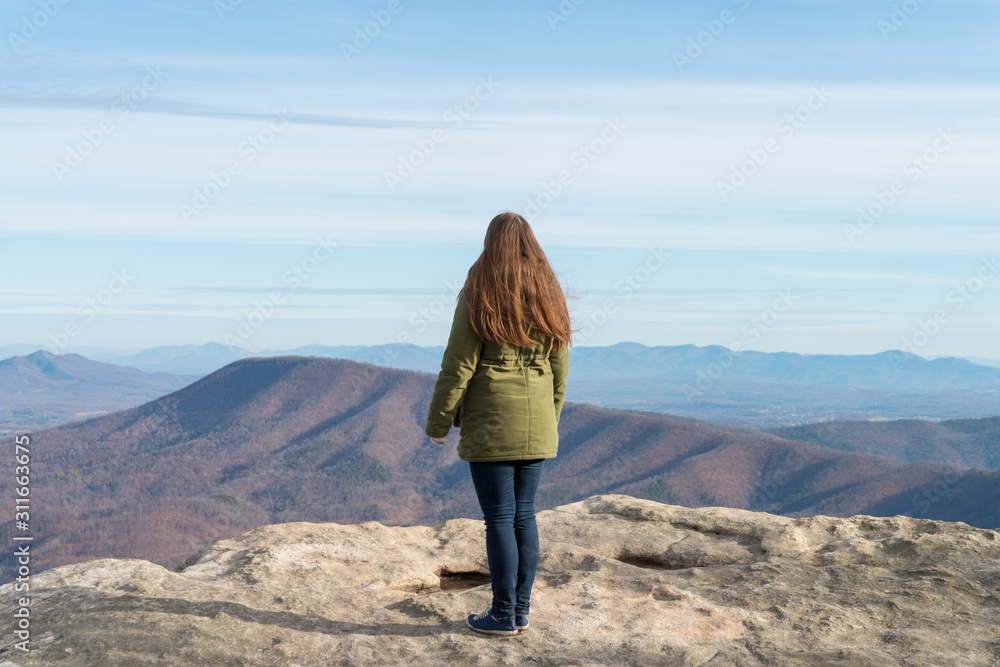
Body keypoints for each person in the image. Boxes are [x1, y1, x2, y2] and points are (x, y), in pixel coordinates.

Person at [424, 211, 573, 637]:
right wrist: (551, 420)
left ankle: (503, 614)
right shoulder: (550, 294)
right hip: (539, 423)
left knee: (500, 519)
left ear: (491, 244)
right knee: (524, 516)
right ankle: (519, 611)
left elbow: (458, 365)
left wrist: (439, 422)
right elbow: (559, 371)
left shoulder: (480, 292)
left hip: (492, 423)